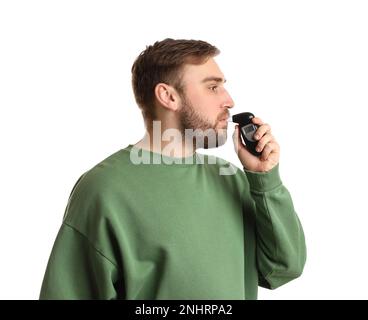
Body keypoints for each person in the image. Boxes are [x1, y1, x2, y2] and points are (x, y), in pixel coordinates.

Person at [39, 38, 306, 300]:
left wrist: (264, 179)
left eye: (224, 86)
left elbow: (282, 269)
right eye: (213, 88)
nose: (229, 101)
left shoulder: (232, 178)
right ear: (168, 96)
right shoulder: (103, 188)